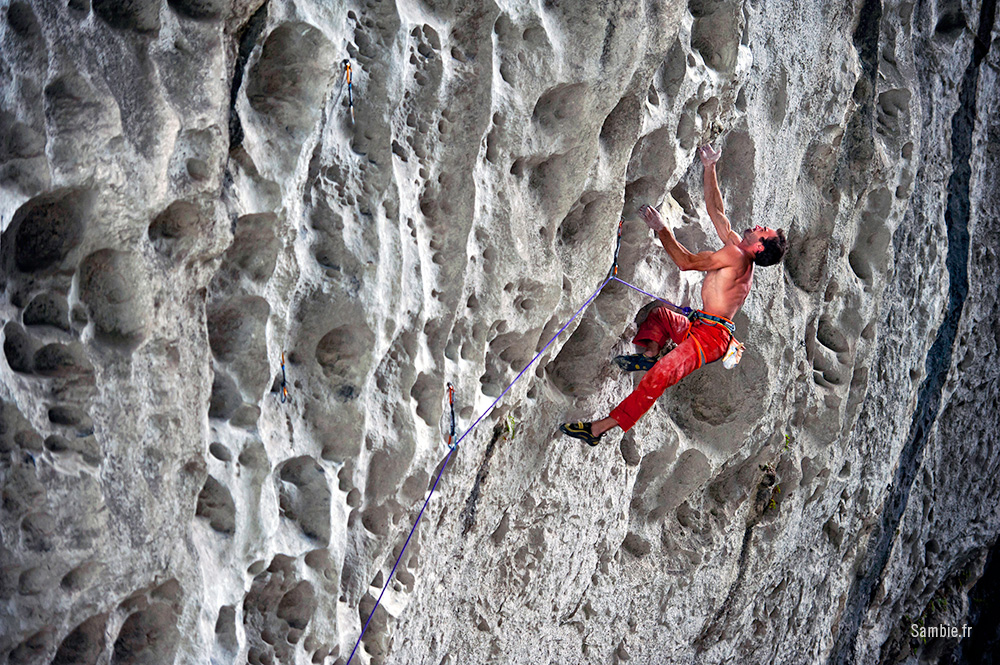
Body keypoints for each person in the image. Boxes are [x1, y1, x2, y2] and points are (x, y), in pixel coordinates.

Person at [560, 144, 788, 445]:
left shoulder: (736, 256)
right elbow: (717, 213)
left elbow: (686, 262)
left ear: (758, 246)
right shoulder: (738, 248)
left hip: (710, 339)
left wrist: (661, 228)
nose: (758, 226)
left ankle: (597, 430)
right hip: (701, 327)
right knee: (660, 317)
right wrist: (710, 167)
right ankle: (650, 355)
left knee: (660, 378)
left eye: (763, 231)